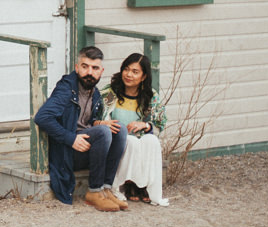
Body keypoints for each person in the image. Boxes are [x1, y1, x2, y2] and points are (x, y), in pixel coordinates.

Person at [33, 46, 128, 211]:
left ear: (101, 71)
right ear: (77, 68)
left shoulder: (95, 93)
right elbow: (42, 117)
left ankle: (106, 188)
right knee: (103, 132)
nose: (89, 72)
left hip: (85, 148)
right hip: (66, 152)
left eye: (95, 68)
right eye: (85, 67)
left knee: (119, 129)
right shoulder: (66, 89)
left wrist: (98, 123)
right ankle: (95, 191)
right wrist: (71, 138)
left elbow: (85, 122)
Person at [98, 52, 169, 206]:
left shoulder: (150, 96)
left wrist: (145, 125)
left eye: (135, 72)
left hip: (140, 138)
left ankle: (144, 185)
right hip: (117, 140)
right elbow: (99, 115)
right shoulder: (111, 92)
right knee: (131, 141)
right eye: (126, 69)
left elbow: (160, 124)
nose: (129, 74)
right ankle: (127, 182)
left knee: (151, 140)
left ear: (143, 77)